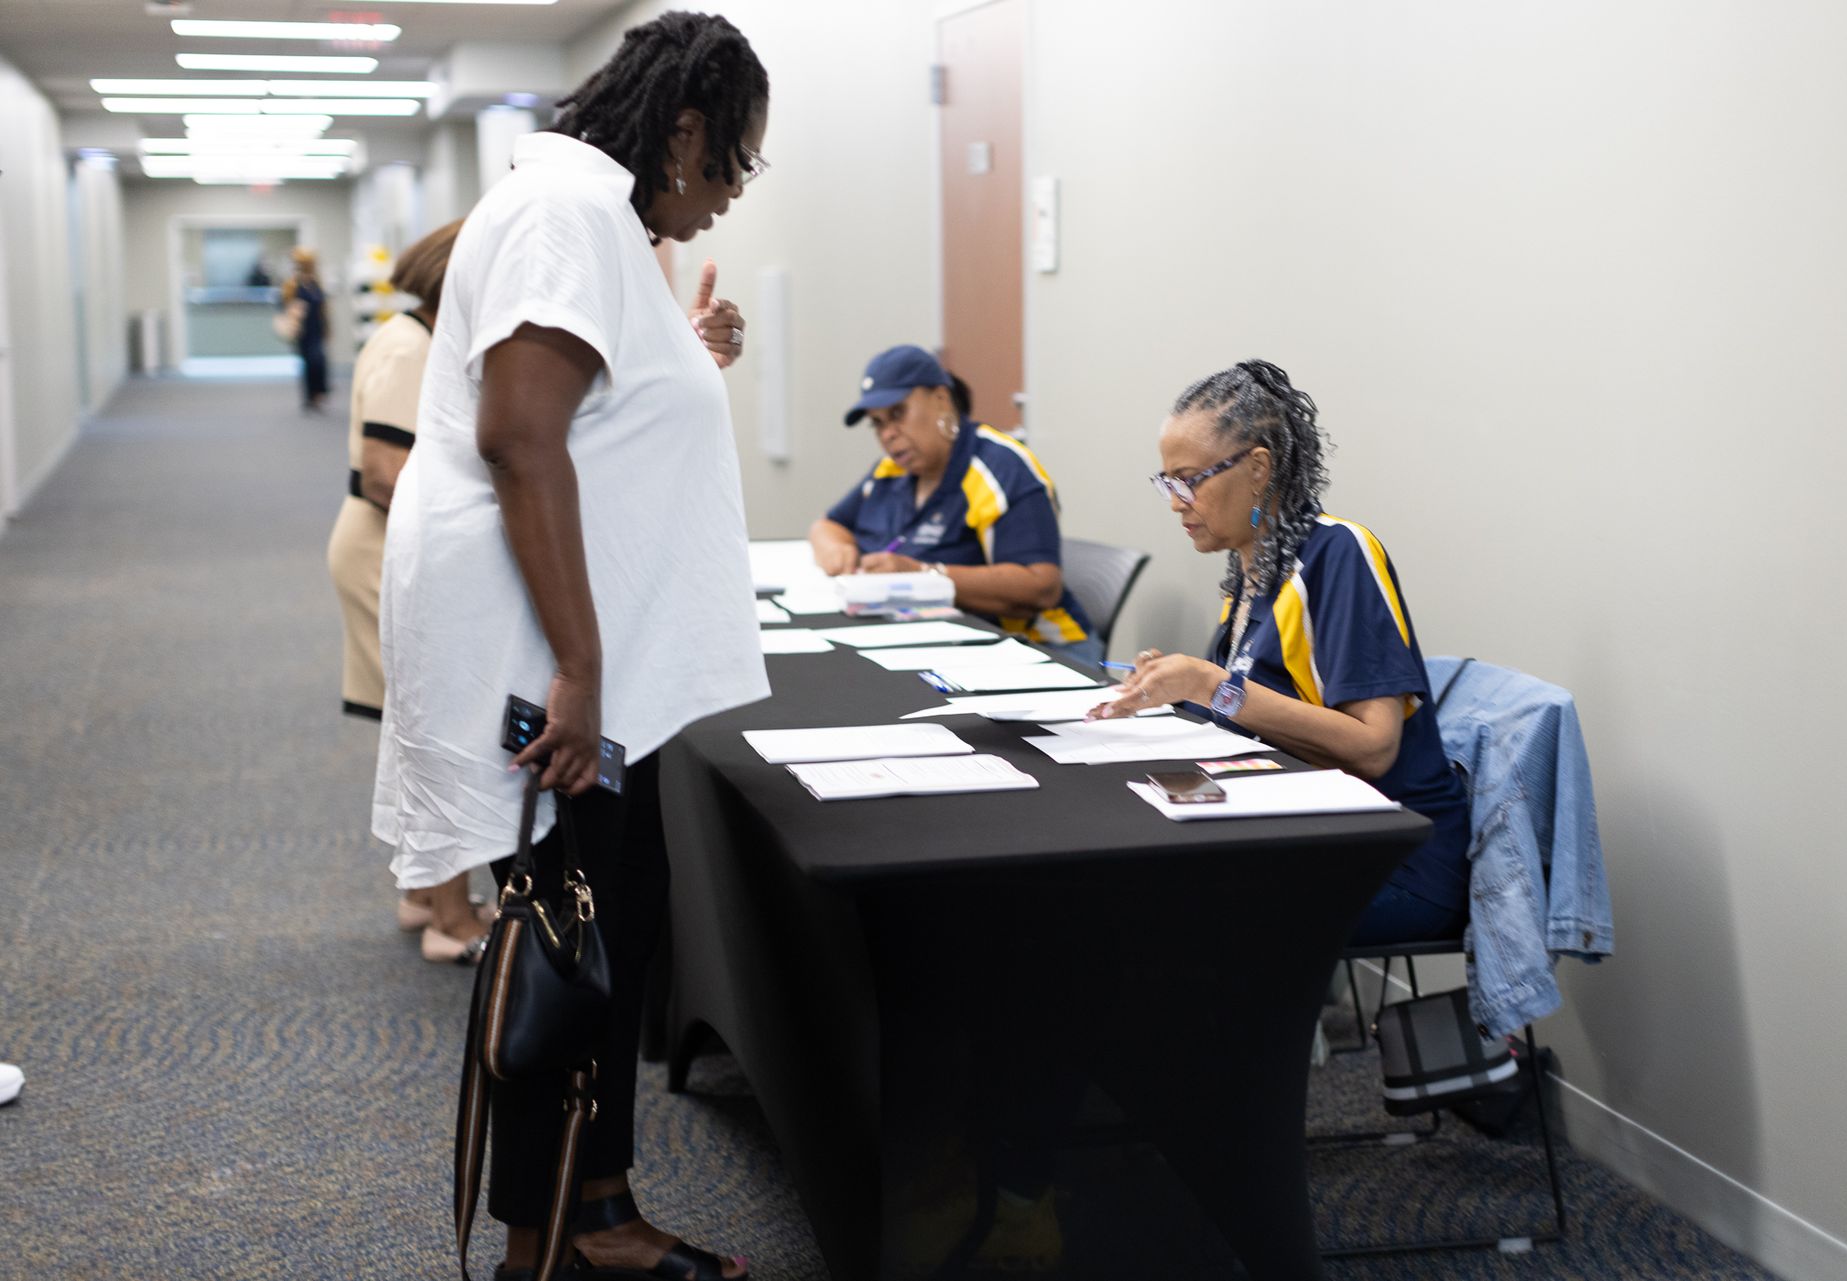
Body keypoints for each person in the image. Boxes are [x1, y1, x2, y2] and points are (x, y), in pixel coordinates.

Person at [372, 12, 770, 1279]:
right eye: (732, 165)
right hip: (540, 654)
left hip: (565, 643)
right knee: (570, 938)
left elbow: (591, 412)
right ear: (687, 126)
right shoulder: (566, 215)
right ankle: (544, 1244)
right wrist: (583, 671)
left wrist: (681, 364)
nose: (726, 197)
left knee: (616, 921)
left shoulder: (596, 216)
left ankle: (600, 1213)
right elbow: (521, 437)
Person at [1095, 359, 1471, 946]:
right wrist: (1171, 689)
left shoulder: (1339, 554)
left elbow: (1373, 748)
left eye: (1189, 479)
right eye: (1166, 482)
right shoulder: (1249, 573)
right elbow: (1245, 714)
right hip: (1299, 829)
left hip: (1393, 860)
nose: (1175, 501)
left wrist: (1213, 685)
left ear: (1258, 468)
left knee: (1169, 917)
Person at [324, 219, 489, 965]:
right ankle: (450, 917)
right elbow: (389, 469)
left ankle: (426, 890)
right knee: (434, 730)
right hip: (385, 551)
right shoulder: (408, 346)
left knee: (418, 722)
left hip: (396, 551)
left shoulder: (425, 340)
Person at [808, 345, 1101, 663]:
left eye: (897, 414)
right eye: (877, 423)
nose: (888, 435)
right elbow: (828, 524)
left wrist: (921, 575)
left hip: (1037, 653)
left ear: (940, 400)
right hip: (939, 642)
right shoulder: (891, 471)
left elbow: (1040, 586)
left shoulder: (999, 467)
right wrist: (836, 551)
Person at [283, 247, 329, 411]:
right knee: (308, 362)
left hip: (316, 327)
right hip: (303, 330)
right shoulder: (293, 285)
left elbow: (323, 307)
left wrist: (327, 327)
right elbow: (286, 306)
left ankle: (319, 393)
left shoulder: (316, 283)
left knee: (319, 360)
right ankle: (309, 396)